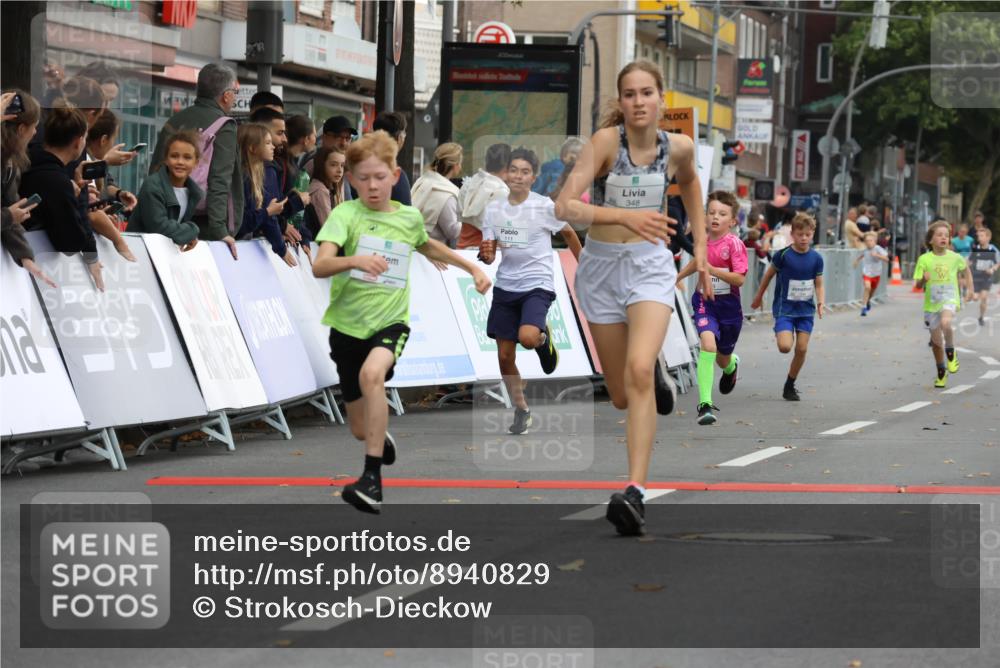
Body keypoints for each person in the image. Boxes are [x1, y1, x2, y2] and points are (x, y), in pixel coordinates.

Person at [554, 60, 709, 536]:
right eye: (629, 94)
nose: (638, 102)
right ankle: (651, 377)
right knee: (621, 394)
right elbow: (564, 205)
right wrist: (621, 216)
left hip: (649, 267)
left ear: (663, 99)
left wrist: (700, 247)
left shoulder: (678, 148)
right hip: (600, 267)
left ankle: (635, 491)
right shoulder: (605, 143)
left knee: (637, 370)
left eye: (647, 93)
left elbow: (692, 187)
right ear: (620, 102)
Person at [311, 130, 491, 514]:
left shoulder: (407, 217)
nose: (372, 186)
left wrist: (470, 266)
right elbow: (320, 265)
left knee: (372, 375)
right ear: (352, 179)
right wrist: (354, 260)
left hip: (390, 323)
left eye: (380, 177)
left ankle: (371, 479)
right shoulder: (345, 215)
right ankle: (377, 436)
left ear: (395, 176)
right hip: (346, 329)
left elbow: (428, 244)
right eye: (363, 178)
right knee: (360, 428)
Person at [478, 147, 582, 434]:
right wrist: (486, 255)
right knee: (503, 356)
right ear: (506, 174)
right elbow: (489, 251)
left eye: (525, 172)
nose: (518, 176)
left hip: (537, 283)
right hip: (506, 286)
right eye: (514, 170)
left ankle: (542, 338)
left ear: (533, 177)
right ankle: (521, 409)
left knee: (527, 337)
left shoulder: (544, 207)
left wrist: (583, 267)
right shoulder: (494, 209)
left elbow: (569, 233)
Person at [150, 62, 243, 259]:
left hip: (168, 220)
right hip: (204, 226)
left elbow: (155, 170)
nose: (234, 98)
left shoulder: (174, 121)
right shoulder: (224, 126)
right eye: (234, 92)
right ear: (226, 95)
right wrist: (221, 230)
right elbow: (220, 180)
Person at [676, 190, 748, 426]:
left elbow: (739, 279)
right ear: (705, 217)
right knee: (707, 345)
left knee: (722, 358)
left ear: (733, 220)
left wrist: (713, 270)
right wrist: (676, 278)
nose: (716, 217)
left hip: (729, 309)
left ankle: (731, 368)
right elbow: (698, 262)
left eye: (722, 214)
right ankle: (705, 404)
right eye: (712, 212)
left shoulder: (735, 245)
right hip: (705, 302)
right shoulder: (701, 241)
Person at [20, 104, 105, 289]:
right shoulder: (58, 182)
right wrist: (73, 195)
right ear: (78, 142)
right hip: (28, 275)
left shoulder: (24, 163)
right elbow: (70, 243)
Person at [751, 213, 825, 401]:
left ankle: (790, 384)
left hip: (805, 311)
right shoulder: (783, 255)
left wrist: (821, 302)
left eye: (808, 235)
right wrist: (759, 296)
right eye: (800, 234)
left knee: (801, 349)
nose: (804, 238)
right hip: (785, 309)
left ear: (812, 235)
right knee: (785, 347)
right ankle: (782, 330)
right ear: (793, 234)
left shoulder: (816, 258)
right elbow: (768, 276)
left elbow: (819, 283)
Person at [1, 89, 55, 287]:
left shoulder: (11, 164)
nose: (35, 133)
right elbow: (9, 214)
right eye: (34, 127)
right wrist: (8, 216)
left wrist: (26, 258)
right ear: (22, 128)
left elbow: (10, 208)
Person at [914, 221, 974, 388]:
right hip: (931, 304)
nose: (943, 238)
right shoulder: (924, 259)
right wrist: (922, 280)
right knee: (935, 342)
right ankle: (941, 371)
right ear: (931, 240)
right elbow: (918, 286)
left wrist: (970, 289)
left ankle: (951, 351)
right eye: (939, 235)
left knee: (946, 322)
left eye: (946, 236)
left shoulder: (955, 258)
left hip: (949, 299)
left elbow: (966, 271)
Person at [128, 130, 201, 250]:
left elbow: (177, 229)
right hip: (141, 252)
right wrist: (193, 230)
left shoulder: (193, 193)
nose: (180, 162)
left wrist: (189, 235)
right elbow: (159, 228)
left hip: (165, 254)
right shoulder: (152, 186)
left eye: (187, 158)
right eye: (174, 156)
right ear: (166, 159)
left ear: (196, 163)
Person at [235, 123, 294, 266]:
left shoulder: (259, 173)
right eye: (267, 143)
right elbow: (241, 222)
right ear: (252, 148)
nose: (273, 146)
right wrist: (267, 212)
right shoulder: (243, 178)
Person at [457, 142, 510, 249]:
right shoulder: (501, 191)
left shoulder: (469, 183)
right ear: (507, 165)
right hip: (484, 254)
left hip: (462, 251)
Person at [411, 142, 463, 246]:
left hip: (414, 245)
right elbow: (452, 231)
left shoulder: (422, 181)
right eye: (460, 163)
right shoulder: (447, 193)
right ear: (456, 165)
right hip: (432, 252)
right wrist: (470, 224)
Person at [370, 111, 412, 206]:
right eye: (404, 133)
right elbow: (404, 216)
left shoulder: (360, 167)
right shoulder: (397, 175)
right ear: (399, 138)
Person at [306, 145, 346, 237]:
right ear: (322, 165)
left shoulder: (329, 188)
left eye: (342, 165)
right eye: (333, 165)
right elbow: (330, 229)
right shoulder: (320, 190)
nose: (339, 170)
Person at [853, 230, 889, 316]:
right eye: (867, 241)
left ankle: (868, 301)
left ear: (875, 241)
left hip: (876, 274)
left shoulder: (878, 249)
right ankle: (864, 307)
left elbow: (887, 259)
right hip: (867, 272)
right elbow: (863, 254)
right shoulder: (865, 249)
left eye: (871, 241)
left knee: (871, 292)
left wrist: (877, 255)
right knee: (867, 287)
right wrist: (856, 261)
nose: (869, 243)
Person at [968, 226, 999, 327]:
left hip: (987, 278)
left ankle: (981, 317)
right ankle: (975, 296)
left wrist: (992, 269)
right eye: (978, 236)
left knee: (984, 297)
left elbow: (997, 263)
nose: (979, 238)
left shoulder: (993, 250)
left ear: (988, 237)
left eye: (982, 236)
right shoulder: (975, 249)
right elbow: (969, 261)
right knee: (976, 298)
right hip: (976, 277)